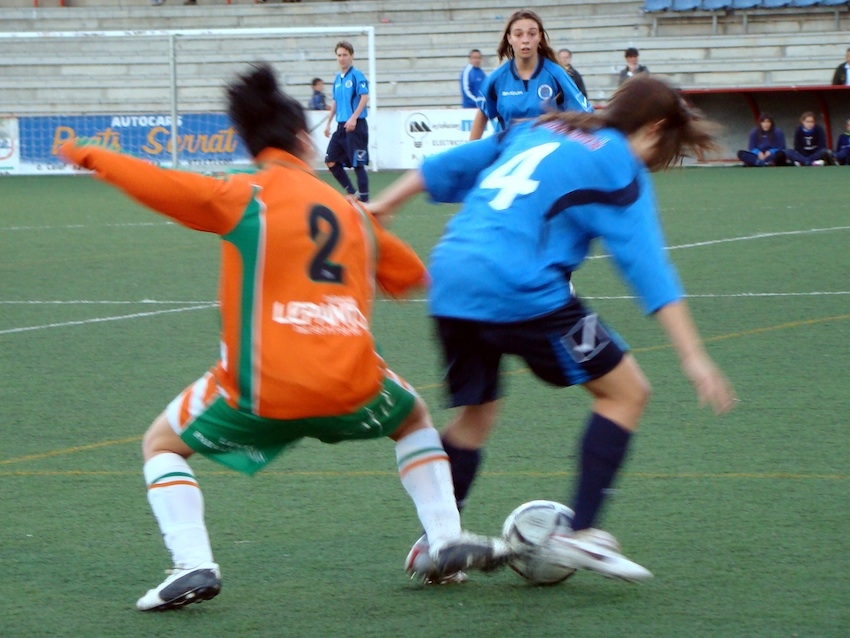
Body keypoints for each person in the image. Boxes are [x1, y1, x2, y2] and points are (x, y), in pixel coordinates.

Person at [58, 64, 509, 610]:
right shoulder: (349, 210)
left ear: (249, 143)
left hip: (262, 392)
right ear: (303, 139)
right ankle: (443, 537)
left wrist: (90, 155)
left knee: (160, 445)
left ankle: (193, 562)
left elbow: (163, 185)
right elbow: (411, 274)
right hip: (354, 388)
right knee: (413, 419)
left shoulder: (243, 193)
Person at [371, 75, 737, 582]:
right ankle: (580, 533)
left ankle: (439, 541)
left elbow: (451, 164)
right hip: (519, 287)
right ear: (654, 128)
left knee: (476, 416)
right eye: (668, 147)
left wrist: (385, 205)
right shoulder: (618, 167)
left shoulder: (541, 127)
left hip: (452, 276)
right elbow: (648, 267)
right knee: (626, 393)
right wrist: (694, 356)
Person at [469, 9, 591, 141]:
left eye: (532, 34)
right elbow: (482, 115)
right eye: (518, 35)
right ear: (509, 38)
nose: (525, 40)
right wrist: (470, 156)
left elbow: (583, 114)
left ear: (539, 36)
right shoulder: (497, 78)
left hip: (545, 152)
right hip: (508, 154)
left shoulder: (556, 74)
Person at [324, 40, 371, 202]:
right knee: (330, 160)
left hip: (356, 126)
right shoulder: (337, 78)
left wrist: (354, 118)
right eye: (339, 55)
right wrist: (329, 123)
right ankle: (352, 192)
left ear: (352, 56)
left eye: (345, 55)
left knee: (358, 164)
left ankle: (365, 202)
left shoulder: (357, 75)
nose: (342, 58)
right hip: (341, 126)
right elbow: (335, 102)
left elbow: (365, 97)